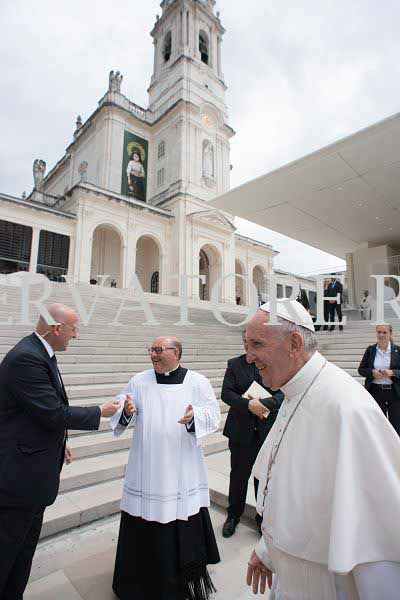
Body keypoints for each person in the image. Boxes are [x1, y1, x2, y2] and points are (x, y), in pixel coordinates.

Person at [245, 299, 400, 599]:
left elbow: (376, 541)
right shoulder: (295, 390)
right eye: (247, 344)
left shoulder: (347, 408)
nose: (249, 356)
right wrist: (267, 550)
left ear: (294, 343)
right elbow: (297, 498)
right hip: (289, 576)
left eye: (257, 344)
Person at [0, 303, 121, 599]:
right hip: (18, 478)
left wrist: (58, 442)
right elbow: (53, 412)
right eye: (73, 329)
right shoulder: (26, 358)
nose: (75, 335)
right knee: (8, 550)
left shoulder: (40, 352)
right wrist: (99, 411)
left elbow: (33, 413)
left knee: (23, 550)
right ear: (56, 328)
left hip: (33, 472)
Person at [110, 336, 221, 600]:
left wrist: (195, 417)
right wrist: (126, 411)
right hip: (146, 465)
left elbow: (213, 413)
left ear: (176, 352)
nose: (153, 354)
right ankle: (139, 583)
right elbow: (122, 407)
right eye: (151, 349)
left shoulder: (197, 381)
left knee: (181, 513)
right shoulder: (139, 381)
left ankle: (180, 582)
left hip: (182, 465)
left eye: (159, 350)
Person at [221, 331, 283, 538]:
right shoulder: (234, 364)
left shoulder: (273, 363)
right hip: (240, 431)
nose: (250, 346)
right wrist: (248, 405)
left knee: (262, 478)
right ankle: (233, 516)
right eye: (246, 342)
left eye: (254, 342)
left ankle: (261, 519)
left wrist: (263, 404)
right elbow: (227, 393)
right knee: (238, 476)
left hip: (266, 432)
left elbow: (283, 392)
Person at [358, 324, 400, 437]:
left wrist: (393, 372)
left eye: (384, 332)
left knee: (396, 424)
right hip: (376, 391)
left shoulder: (398, 350)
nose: (381, 335)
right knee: (378, 424)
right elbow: (361, 370)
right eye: (379, 332)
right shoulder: (371, 350)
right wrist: (372, 372)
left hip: (394, 392)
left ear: (390, 334)